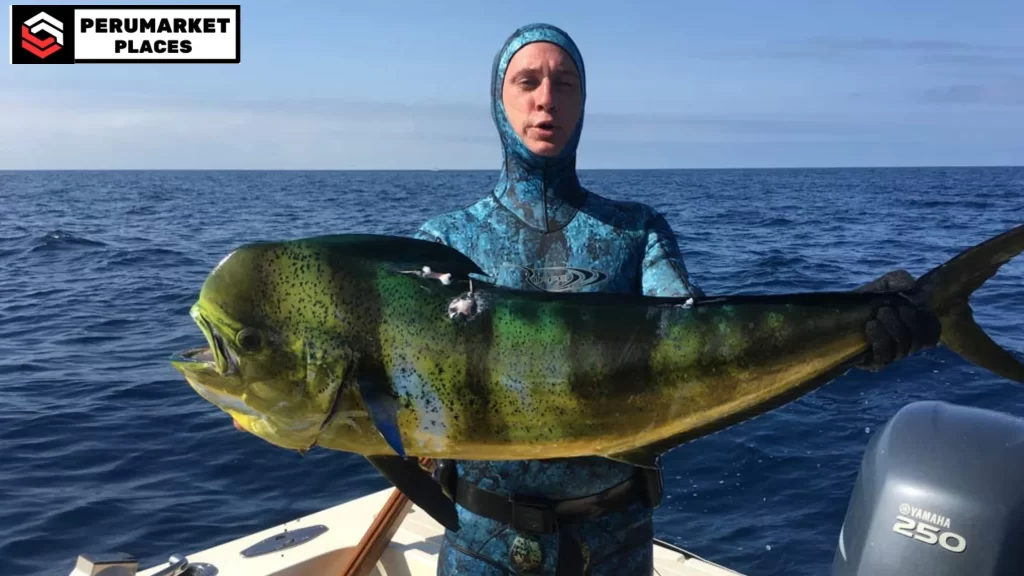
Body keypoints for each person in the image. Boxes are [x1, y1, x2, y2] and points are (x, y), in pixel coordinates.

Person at [414, 22, 941, 576]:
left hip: (615, 546)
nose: (547, 99)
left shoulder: (636, 231)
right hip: (481, 550)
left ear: (585, 102)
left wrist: (855, 327)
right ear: (498, 101)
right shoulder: (443, 243)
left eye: (565, 83)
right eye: (527, 81)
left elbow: (699, 343)